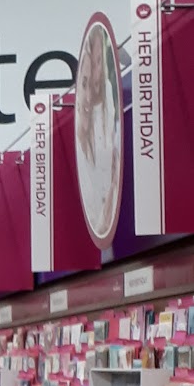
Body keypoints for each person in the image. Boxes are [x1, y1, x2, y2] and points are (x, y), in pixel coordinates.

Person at [75, 24, 120, 242]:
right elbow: (98, 224)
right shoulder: (78, 150)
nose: (88, 94)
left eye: (99, 62)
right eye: (83, 84)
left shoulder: (106, 98)